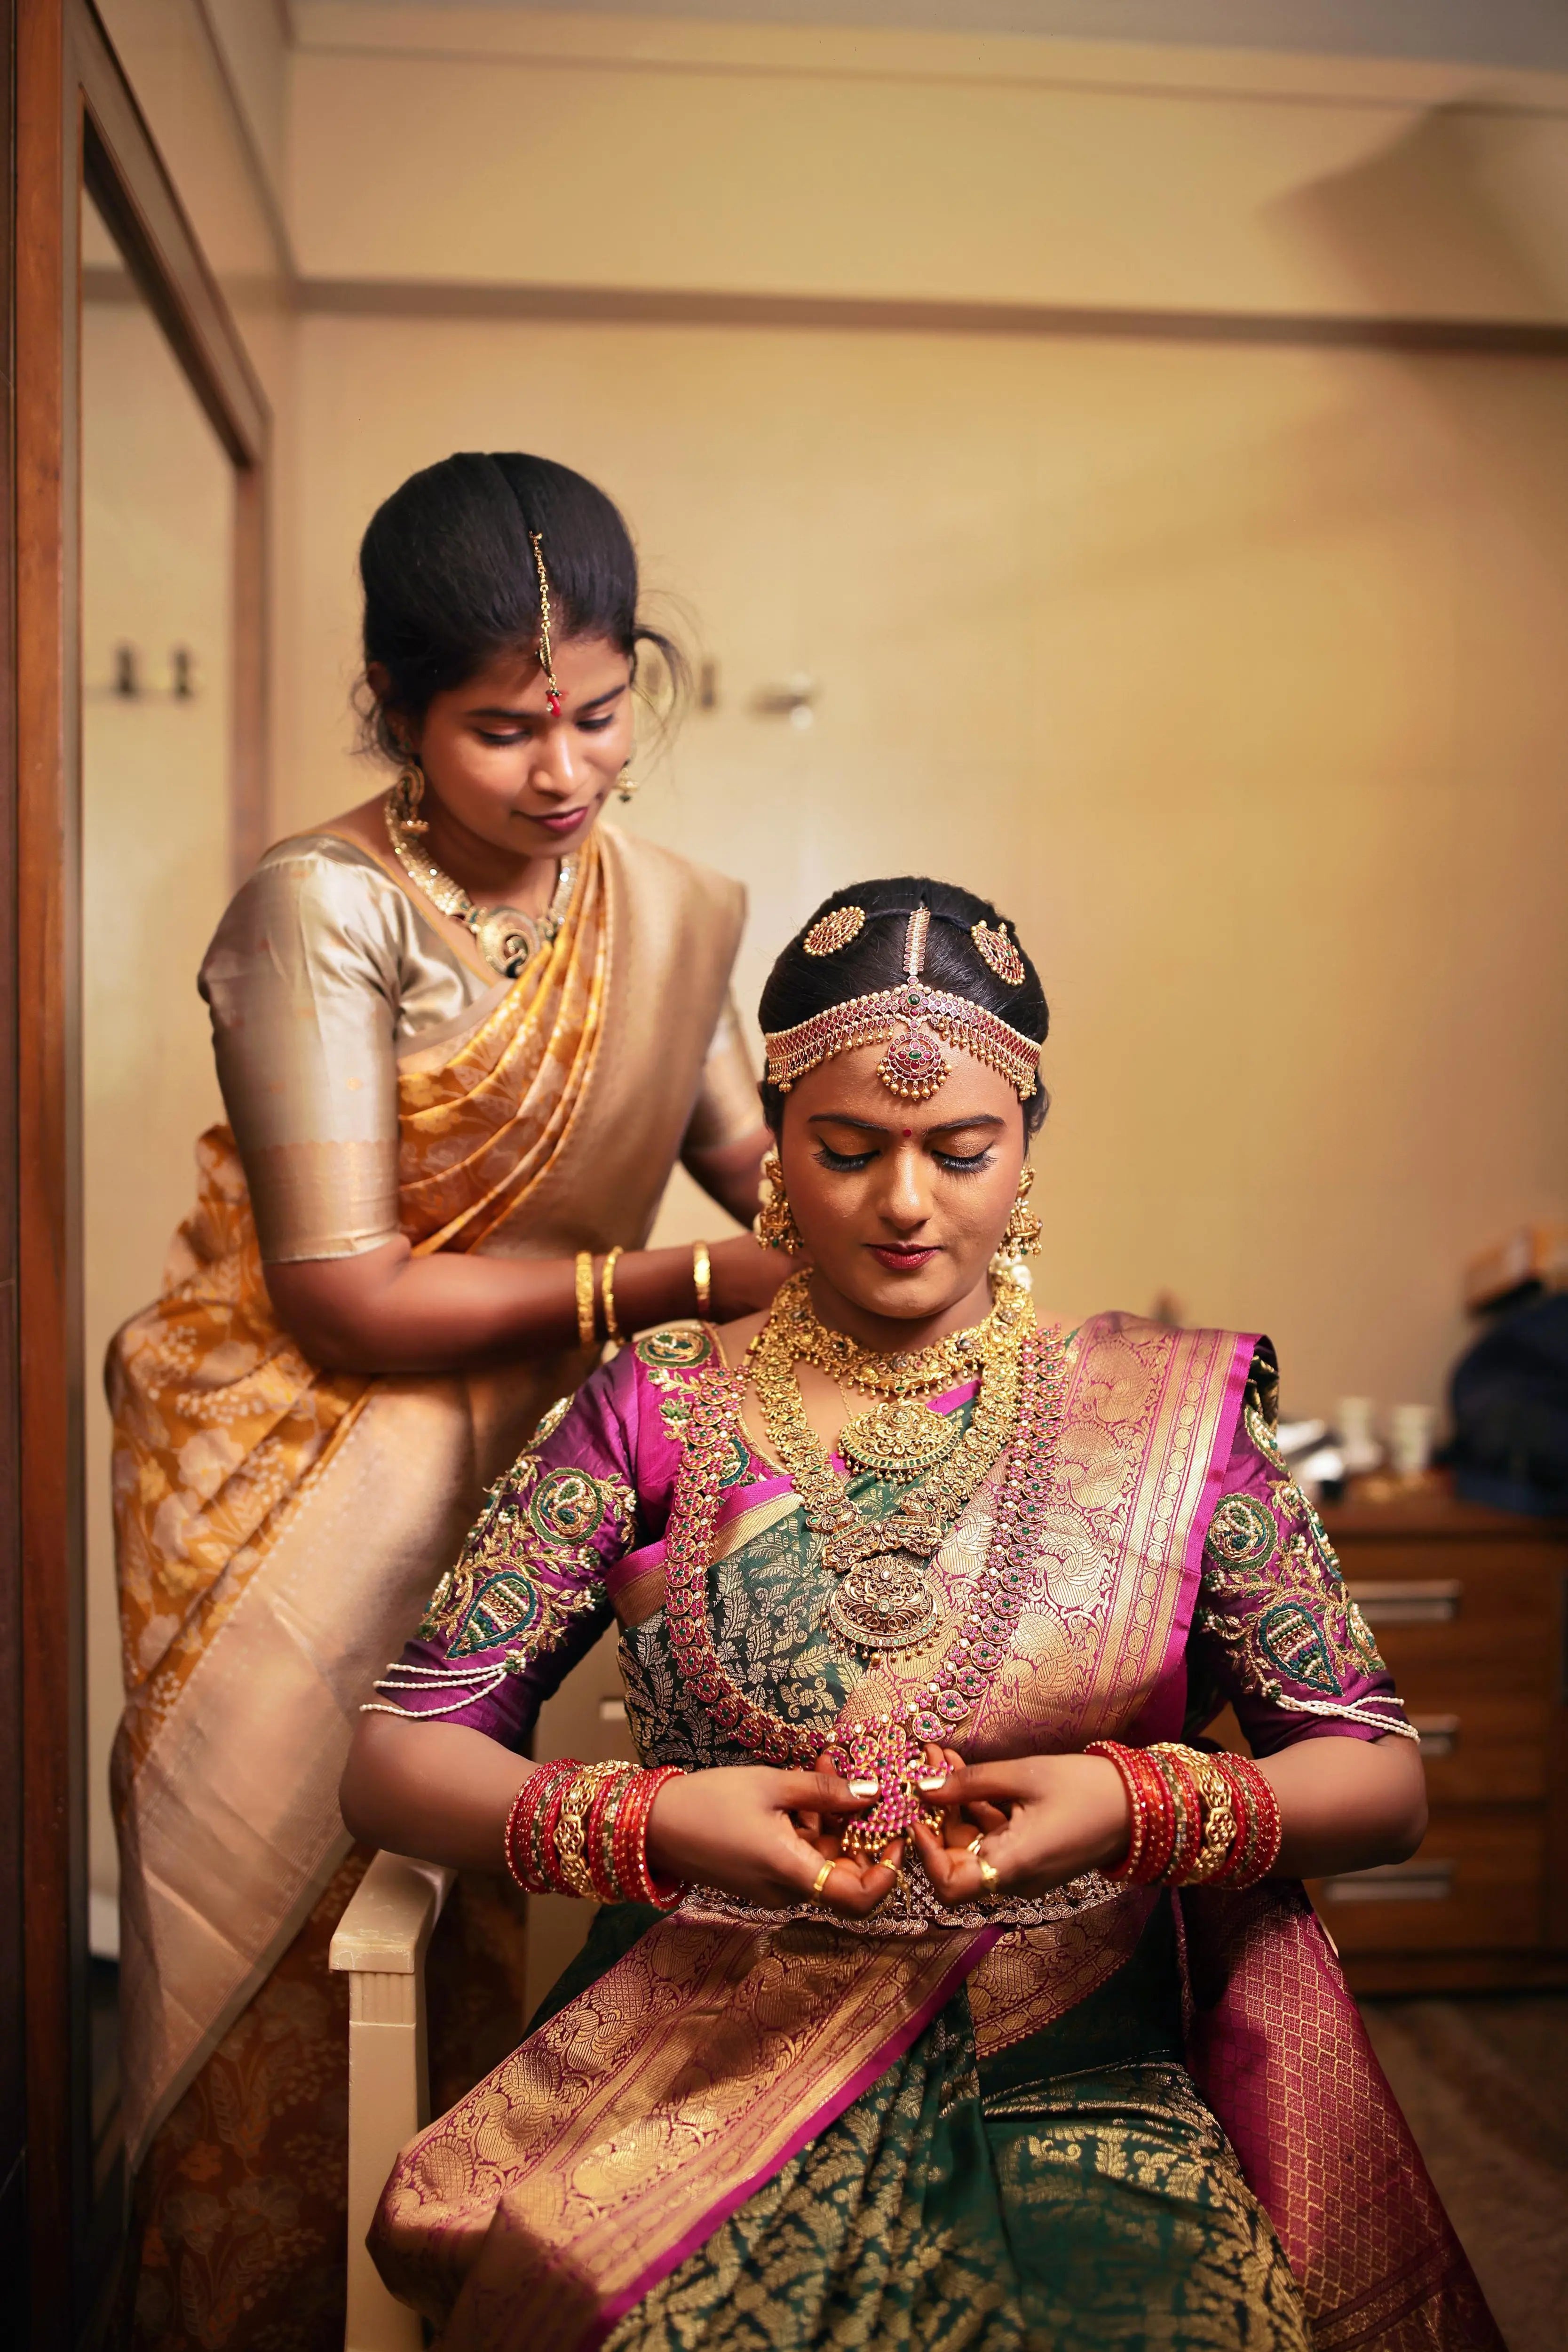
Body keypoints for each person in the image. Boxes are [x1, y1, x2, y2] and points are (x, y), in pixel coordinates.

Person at [340, 877, 1501, 2352]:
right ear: (774, 1149)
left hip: (1071, 2061)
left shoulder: (1163, 1419)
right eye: (847, 1150)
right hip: (698, 2039)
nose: (906, 1203)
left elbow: (1378, 1777)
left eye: (962, 1150)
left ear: (1028, 1147)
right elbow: (396, 1756)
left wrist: (1130, 1807)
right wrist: (658, 1827)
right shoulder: (661, 1403)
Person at [108, 453, 788, 2352]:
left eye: (593, 712)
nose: (561, 768)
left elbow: (752, 1167)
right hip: (282, 1471)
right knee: (273, 1959)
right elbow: (344, 1290)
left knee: (480, 1891)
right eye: (503, 727)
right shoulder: (321, 909)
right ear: (399, 705)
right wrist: (662, 1285)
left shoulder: (654, 905)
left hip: (524, 1468)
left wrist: (919, 1189)